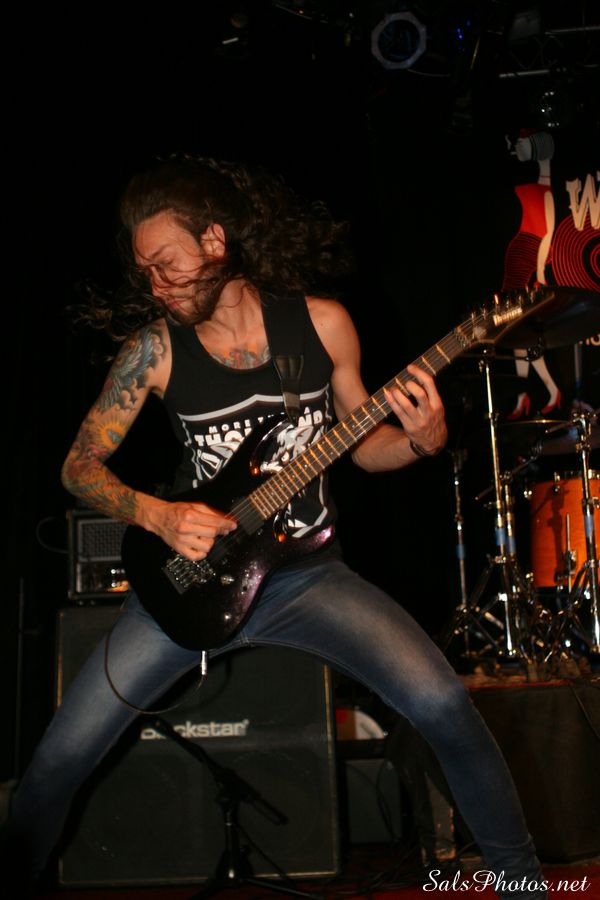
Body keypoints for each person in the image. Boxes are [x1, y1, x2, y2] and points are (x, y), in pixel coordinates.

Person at [6, 155, 548, 899]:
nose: (156, 285)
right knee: (60, 756)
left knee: (444, 704)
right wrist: (158, 514)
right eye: (146, 272)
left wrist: (421, 441)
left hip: (306, 577)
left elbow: (364, 446)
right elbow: (78, 467)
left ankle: (524, 885)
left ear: (215, 241)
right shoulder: (154, 351)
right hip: (188, 581)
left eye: (166, 264)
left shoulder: (321, 325)